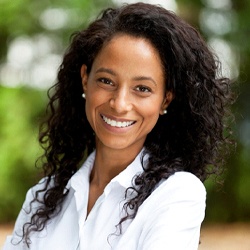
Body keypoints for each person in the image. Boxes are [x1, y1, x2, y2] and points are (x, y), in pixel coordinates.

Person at [4, 2, 234, 250]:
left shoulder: (176, 195)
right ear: (85, 80)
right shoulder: (43, 199)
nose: (120, 103)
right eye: (106, 81)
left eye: (142, 89)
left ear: (165, 99)